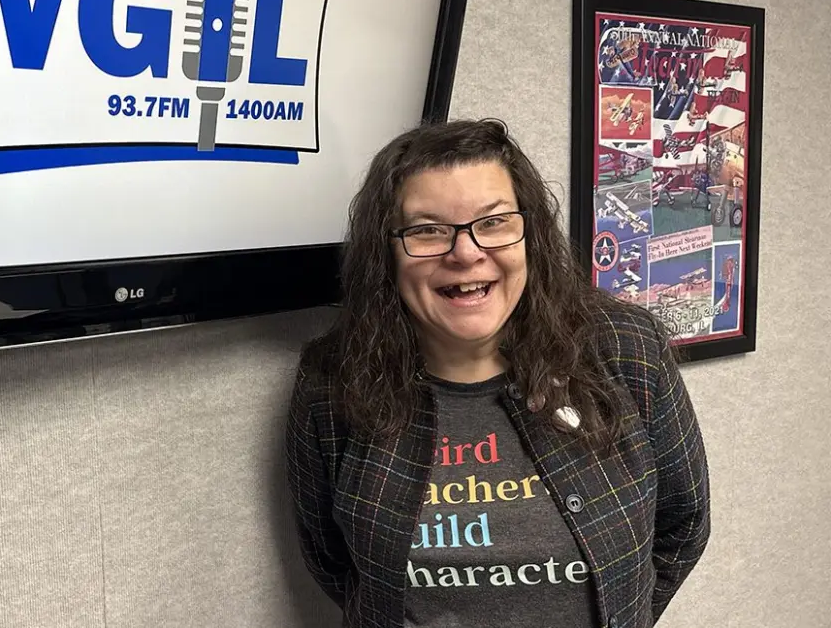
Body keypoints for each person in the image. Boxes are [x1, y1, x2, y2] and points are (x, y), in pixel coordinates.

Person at [284, 118, 710, 628]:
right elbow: (333, 563)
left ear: (528, 232)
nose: (465, 253)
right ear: (387, 253)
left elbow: (682, 527)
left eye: (493, 222)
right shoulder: (332, 382)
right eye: (427, 230)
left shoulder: (626, 350)